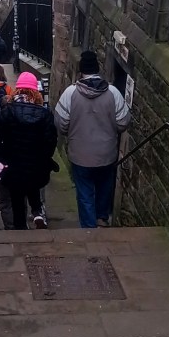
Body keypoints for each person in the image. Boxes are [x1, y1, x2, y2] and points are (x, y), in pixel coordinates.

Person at [54, 50, 131, 229]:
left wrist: (73, 132)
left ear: (81, 71)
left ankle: (89, 229)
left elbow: (61, 123)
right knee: (104, 187)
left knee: (85, 193)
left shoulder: (70, 93)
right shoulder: (113, 92)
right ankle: (102, 218)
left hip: (80, 155)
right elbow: (123, 122)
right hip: (107, 154)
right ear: (98, 70)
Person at [0, 72, 58, 230]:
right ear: (35, 92)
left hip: (13, 165)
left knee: (17, 200)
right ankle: (37, 213)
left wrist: (1, 158)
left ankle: (21, 229)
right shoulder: (44, 114)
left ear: (17, 90)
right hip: (36, 164)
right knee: (33, 187)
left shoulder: (8, 112)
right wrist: (44, 158)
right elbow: (51, 141)